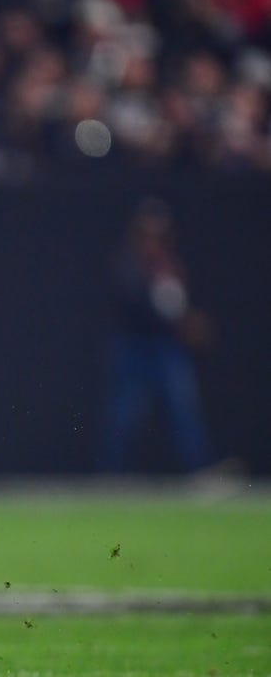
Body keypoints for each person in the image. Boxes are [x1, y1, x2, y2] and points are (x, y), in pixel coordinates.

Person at [97, 197, 215, 473]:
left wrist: (186, 319)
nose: (153, 238)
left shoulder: (171, 264)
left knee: (184, 408)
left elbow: (183, 306)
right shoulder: (127, 264)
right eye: (148, 231)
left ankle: (199, 469)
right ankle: (110, 475)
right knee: (124, 415)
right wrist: (159, 300)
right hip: (134, 347)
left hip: (166, 347)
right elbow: (130, 302)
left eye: (158, 232)